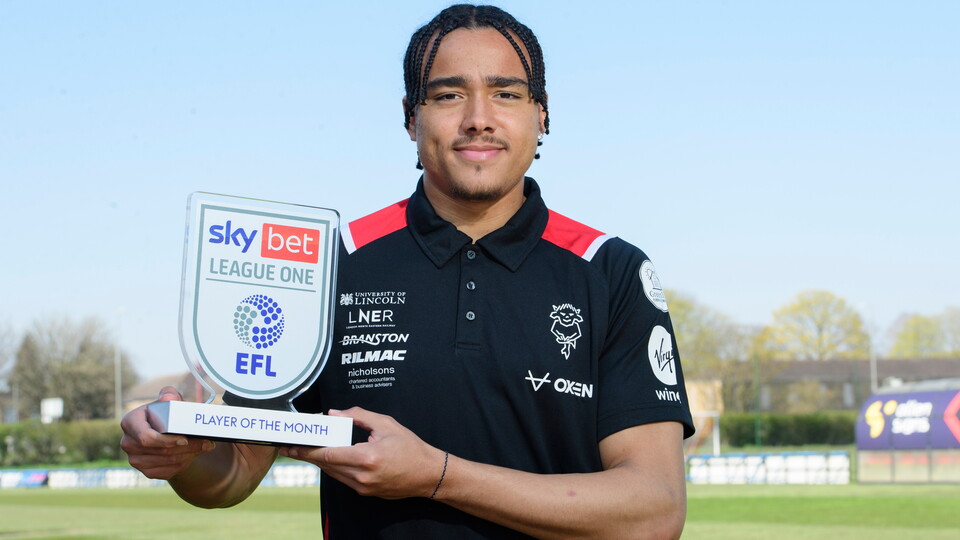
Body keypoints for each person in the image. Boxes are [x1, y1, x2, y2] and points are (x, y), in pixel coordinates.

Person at [121, 4, 695, 539]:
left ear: (542, 115)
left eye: (506, 94)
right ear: (409, 117)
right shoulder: (330, 263)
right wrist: (182, 458)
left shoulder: (611, 270)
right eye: (448, 95)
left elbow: (654, 508)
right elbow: (234, 470)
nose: (478, 119)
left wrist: (438, 476)